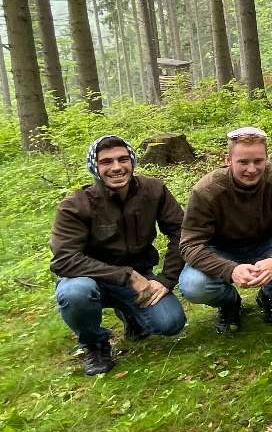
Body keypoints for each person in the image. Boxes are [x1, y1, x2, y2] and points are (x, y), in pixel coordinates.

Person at [50, 135, 188, 375]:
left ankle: (132, 317)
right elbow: (63, 259)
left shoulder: (153, 190)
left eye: (123, 159)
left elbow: (182, 232)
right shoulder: (76, 205)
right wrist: (125, 275)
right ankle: (95, 345)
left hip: (139, 278)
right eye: (106, 162)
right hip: (89, 279)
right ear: (95, 167)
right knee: (75, 293)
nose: (116, 167)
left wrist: (166, 279)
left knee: (171, 323)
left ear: (133, 161)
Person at [179, 127, 272, 332]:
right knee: (193, 285)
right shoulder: (206, 190)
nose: (252, 169)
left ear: (266, 158)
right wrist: (230, 270)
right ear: (228, 160)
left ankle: (270, 294)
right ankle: (229, 303)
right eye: (243, 162)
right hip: (220, 249)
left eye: (258, 161)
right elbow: (189, 245)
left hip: (267, 244)